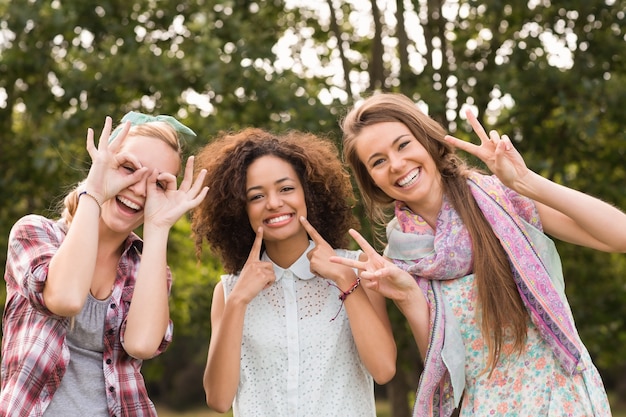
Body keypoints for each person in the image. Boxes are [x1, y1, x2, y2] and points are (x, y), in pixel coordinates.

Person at [330, 92, 625, 417]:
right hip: (485, 407)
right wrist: (408, 295)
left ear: (427, 140)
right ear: (371, 179)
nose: (397, 164)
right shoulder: (397, 258)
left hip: (560, 397)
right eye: (378, 161)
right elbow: (446, 369)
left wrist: (527, 182)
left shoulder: (501, 198)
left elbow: (620, 236)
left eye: (403, 145)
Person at [1, 112, 209, 416]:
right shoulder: (36, 233)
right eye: (128, 168)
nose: (139, 189)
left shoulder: (148, 268)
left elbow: (142, 345)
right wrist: (94, 192)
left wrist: (159, 226)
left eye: (157, 184)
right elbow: (65, 298)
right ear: (101, 165)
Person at [191, 128, 397, 417]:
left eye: (286, 188)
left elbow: (384, 369)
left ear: (308, 194)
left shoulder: (356, 268)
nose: (274, 203)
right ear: (241, 209)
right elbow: (218, 400)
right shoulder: (228, 292)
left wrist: (345, 281)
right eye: (256, 195)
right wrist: (238, 302)